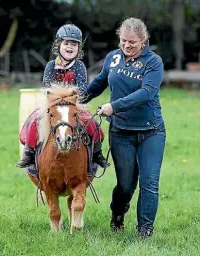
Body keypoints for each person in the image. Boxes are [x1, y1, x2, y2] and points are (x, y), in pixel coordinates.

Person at [81, 17, 166, 238]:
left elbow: (147, 92)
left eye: (132, 43)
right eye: (123, 41)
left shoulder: (154, 63)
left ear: (144, 41)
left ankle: (144, 231)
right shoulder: (113, 57)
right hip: (121, 132)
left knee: (149, 183)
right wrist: (76, 99)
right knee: (125, 185)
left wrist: (114, 106)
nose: (127, 46)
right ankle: (117, 215)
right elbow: (100, 82)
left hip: (151, 131)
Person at [16, 24, 109, 170]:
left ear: (78, 48)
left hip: (73, 106)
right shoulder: (51, 66)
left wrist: (71, 96)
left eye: (74, 44)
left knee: (93, 125)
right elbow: (47, 87)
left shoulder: (79, 66)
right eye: (66, 43)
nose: (69, 47)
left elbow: (82, 89)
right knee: (34, 120)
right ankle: (29, 152)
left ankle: (97, 154)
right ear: (58, 45)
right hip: (52, 106)